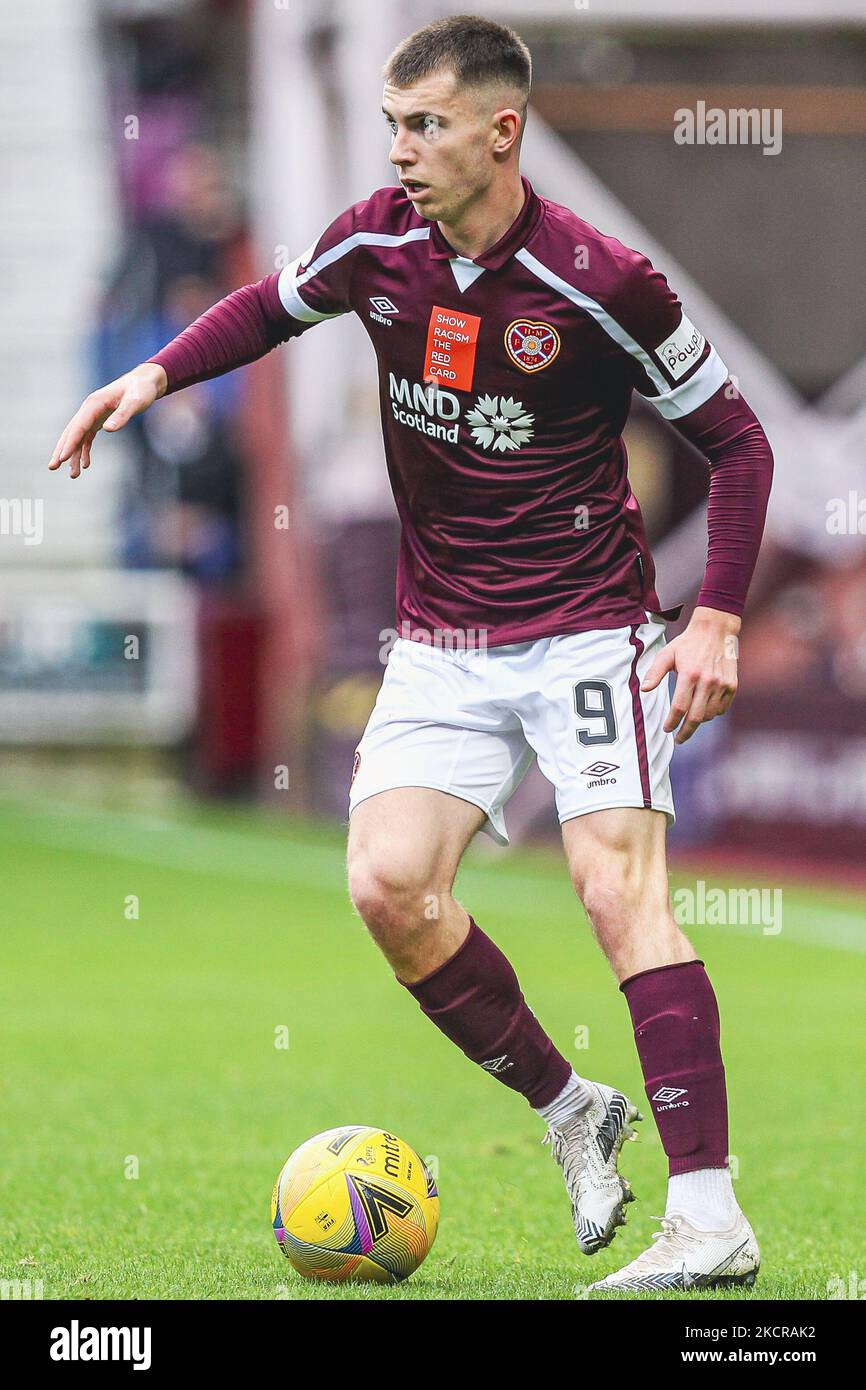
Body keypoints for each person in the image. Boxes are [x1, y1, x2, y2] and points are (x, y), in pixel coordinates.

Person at [49, 14, 773, 1293]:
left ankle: (708, 1219)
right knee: (387, 887)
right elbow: (265, 311)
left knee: (617, 893)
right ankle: (567, 1108)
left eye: (425, 125)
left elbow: (739, 442)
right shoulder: (372, 240)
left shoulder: (603, 280)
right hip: (439, 640)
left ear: (501, 132)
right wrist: (150, 379)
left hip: (586, 631)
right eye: (391, 124)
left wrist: (711, 613)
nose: (399, 152)